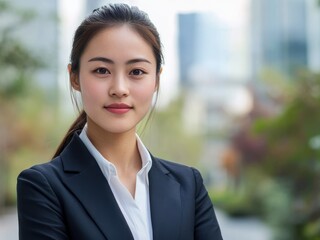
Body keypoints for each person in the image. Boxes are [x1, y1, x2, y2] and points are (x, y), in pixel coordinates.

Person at [16, 3, 223, 240]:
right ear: (74, 77)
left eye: (136, 72)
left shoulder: (188, 185)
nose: (119, 89)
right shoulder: (43, 187)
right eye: (102, 70)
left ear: (156, 80)